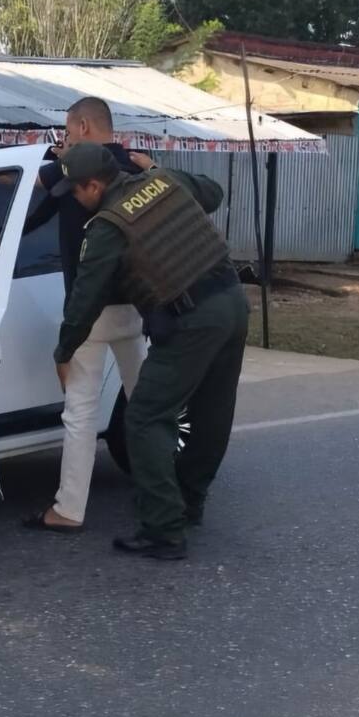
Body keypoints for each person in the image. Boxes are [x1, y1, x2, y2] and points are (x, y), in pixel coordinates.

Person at [53, 143, 248, 560]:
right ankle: (189, 504)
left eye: (74, 191)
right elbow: (213, 193)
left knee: (143, 417)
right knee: (210, 413)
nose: (73, 199)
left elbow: (85, 299)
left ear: (93, 185)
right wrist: (157, 167)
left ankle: (163, 529)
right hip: (232, 301)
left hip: (191, 319)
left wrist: (63, 351)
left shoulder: (107, 226)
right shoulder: (163, 180)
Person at [12, 97, 150, 533]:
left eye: (69, 130)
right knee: (147, 407)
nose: (66, 138)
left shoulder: (75, 168)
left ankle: (69, 509)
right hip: (136, 305)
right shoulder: (136, 165)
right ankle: (166, 493)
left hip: (90, 308)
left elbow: (21, 182)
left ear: (84, 126)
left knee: (81, 412)